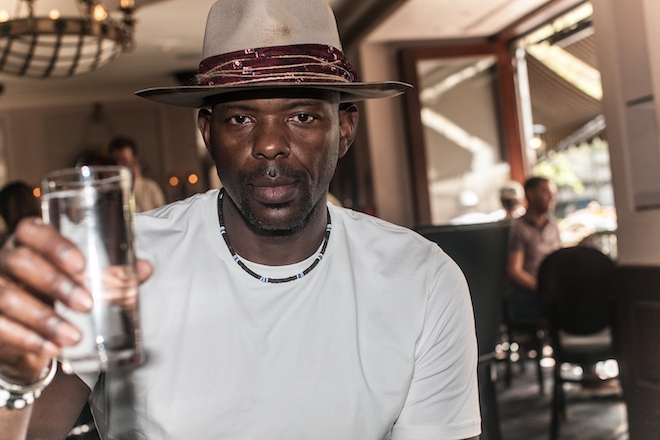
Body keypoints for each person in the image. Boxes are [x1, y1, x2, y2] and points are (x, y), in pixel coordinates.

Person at [0, 1, 481, 439]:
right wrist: (12, 375)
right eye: (241, 119)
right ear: (207, 132)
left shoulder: (423, 281)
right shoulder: (123, 263)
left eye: (302, 117)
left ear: (346, 128)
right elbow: (30, 429)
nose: (270, 144)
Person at [506, 176, 561, 321]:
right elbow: (514, 271)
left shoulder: (553, 225)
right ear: (530, 194)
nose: (551, 197)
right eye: (545, 192)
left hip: (551, 288)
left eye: (552, 193)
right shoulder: (518, 228)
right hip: (527, 292)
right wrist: (542, 289)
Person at [108, 136, 166, 212]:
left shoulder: (151, 188)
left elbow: (162, 216)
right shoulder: (108, 191)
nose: (119, 166)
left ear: (135, 160)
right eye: (115, 161)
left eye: (124, 161)